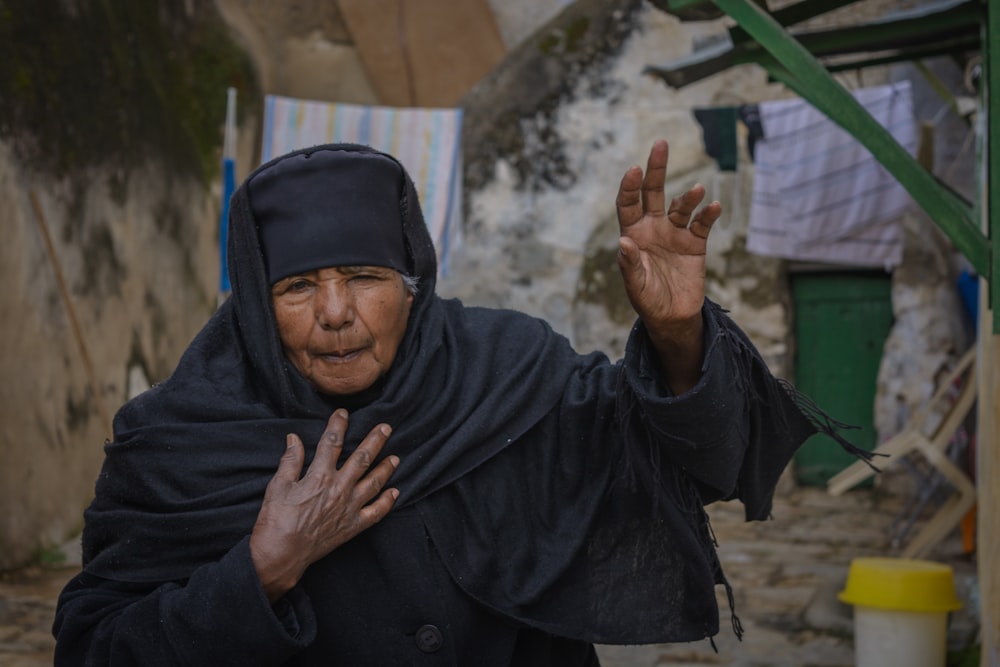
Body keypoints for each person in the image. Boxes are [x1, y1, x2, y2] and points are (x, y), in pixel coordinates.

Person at [53, 140, 865, 666]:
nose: (335, 313)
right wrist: (261, 570)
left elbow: (695, 461)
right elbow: (93, 648)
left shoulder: (505, 372)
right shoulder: (178, 439)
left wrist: (678, 331)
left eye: (365, 278)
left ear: (414, 284)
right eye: (298, 286)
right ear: (255, 307)